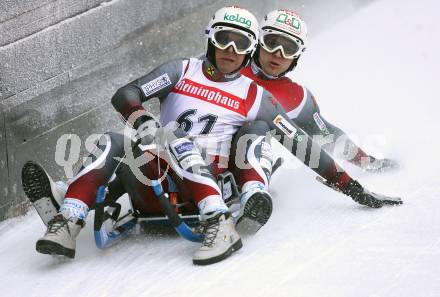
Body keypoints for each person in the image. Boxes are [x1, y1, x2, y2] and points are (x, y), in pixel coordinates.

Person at [22, 6, 401, 266]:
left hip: (212, 176)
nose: (232, 51)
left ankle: (225, 218)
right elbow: (126, 94)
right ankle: (67, 216)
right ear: (212, 38)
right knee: (111, 141)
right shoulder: (182, 68)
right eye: (225, 39)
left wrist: (356, 184)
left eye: (242, 44)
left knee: (240, 137)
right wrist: (140, 119)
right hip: (159, 169)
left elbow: (308, 142)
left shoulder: (264, 97)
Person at [241, 9, 398, 172]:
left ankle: (252, 181)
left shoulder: (298, 99)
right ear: (259, 42)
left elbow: (328, 135)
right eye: (271, 42)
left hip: (242, 169)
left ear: (296, 56)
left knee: (256, 127)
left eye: (289, 49)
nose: (277, 54)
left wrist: (366, 162)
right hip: (215, 157)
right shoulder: (228, 65)